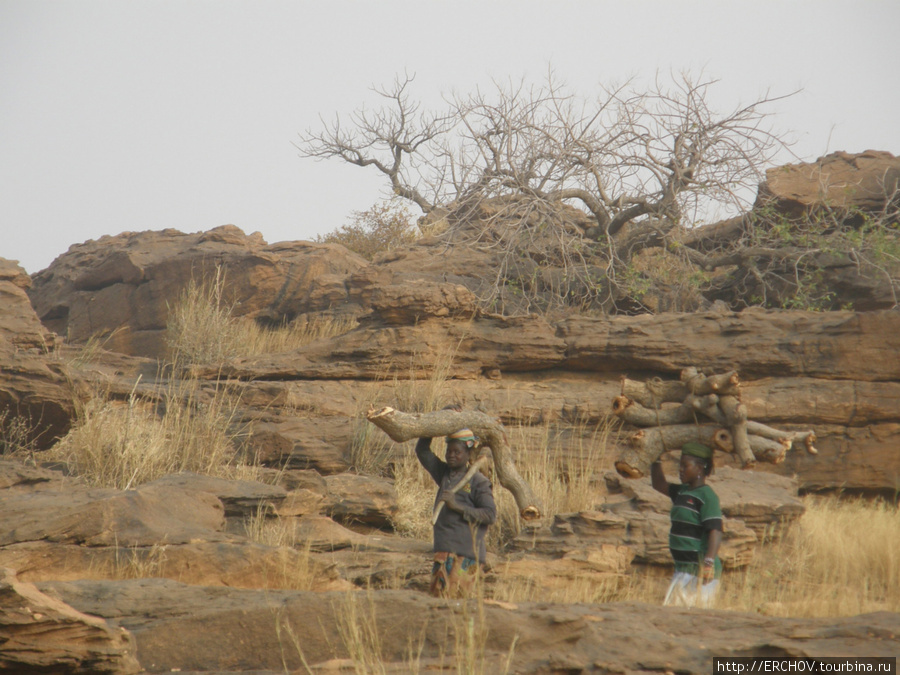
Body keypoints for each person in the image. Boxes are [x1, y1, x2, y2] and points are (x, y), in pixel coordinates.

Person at [415, 428, 497, 597]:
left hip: (466, 555)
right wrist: (439, 420)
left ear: (468, 454)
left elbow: (490, 515)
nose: (451, 455)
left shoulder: (479, 482)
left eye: (457, 452)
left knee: (457, 605)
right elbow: (422, 450)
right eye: (448, 451)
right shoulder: (445, 474)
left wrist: (457, 506)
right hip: (443, 552)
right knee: (438, 602)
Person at [650, 441, 723, 608]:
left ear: (700, 468)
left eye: (685, 465)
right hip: (683, 569)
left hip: (699, 571)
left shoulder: (707, 496)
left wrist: (708, 563)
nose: (680, 470)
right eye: (679, 465)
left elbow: (716, 530)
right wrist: (655, 459)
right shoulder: (683, 492)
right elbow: (658, 485)